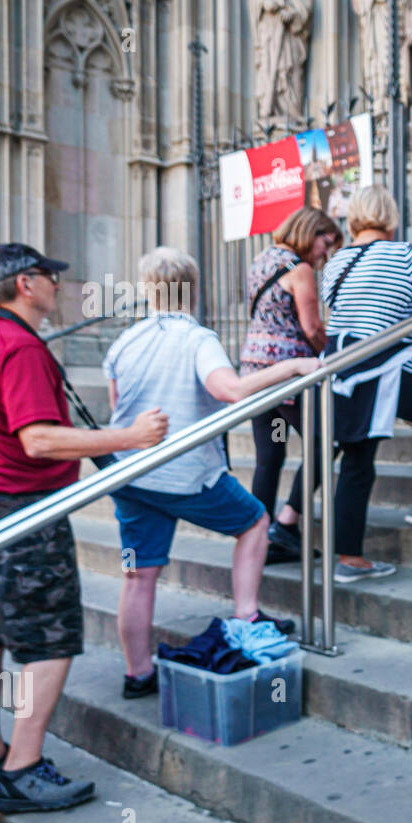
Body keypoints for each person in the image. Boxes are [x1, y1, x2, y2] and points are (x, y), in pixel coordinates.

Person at [0, 243, 169, 812]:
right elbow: (38, 439)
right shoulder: (17, 347)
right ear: (25, 284)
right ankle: (21, 769)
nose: (58, 285)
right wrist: (130, 437)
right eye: (51, 275)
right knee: (51, 639)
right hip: (20, 512)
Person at [105, 247, 320, 699]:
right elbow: (231, 390)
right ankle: (246, 614)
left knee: (138, 575)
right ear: (194, 289)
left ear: (148, 289)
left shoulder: (124, 342)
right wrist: (296, 365)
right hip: (185, 473)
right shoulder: (197, 337)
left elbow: (116, 408)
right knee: (256, 520)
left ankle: (137, 673)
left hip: (131, 476)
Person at [319, 185, 412, 582]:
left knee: (356, 461)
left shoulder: (336, 262)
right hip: (386, 364)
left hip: (339, 369)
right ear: (391, 215)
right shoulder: (404, 254)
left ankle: (349, 559)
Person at [242, 207, 343, 564]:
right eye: (325, 243)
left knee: (269, 457)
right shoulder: (298, 269)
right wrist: (334, 357)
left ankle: (258, 538)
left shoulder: (262, 260)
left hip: (255, 371)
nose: (324, 254)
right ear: (309, 232)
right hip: (288, 373)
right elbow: (313, 328)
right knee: (326, 440)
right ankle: (286, 524)